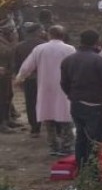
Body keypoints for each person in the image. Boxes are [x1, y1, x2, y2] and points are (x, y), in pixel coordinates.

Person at [60, 30, 102, 173]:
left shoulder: (68, 60)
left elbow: (63, 83)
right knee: (95, 138)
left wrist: (72, 95)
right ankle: (92, 169)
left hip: (76, 103)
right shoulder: (98, 60)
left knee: (80, 136)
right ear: (96, 42)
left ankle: (81, 166)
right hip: (95, 104)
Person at [14, 26, 75, 155]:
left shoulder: (40, 49)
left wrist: (19, 78)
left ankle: (53, 146)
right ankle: (66, 146)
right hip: (64, 87)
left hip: (45, 86)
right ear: (63, 36)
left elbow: (27, 66)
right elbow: (75, 67)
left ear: (49, 35)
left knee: (48, 116)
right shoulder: (69, 49)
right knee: (65, 115)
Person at [12, 23, 47, 137]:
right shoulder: (44, 45)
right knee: (45, 101)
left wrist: (19, 78)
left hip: (28, 78)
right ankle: (48, 124)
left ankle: (34, 128)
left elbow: (17, 65)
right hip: (44, 78)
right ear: (37, 32)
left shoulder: (20, 46)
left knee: (31, 102)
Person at [0, 20, 17, 131]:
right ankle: (2, 123)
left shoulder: (7, 40)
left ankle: (8, 119)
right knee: (1, 98)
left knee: (8, 96)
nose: (12, 32)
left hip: (7, 73)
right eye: (10, 30)